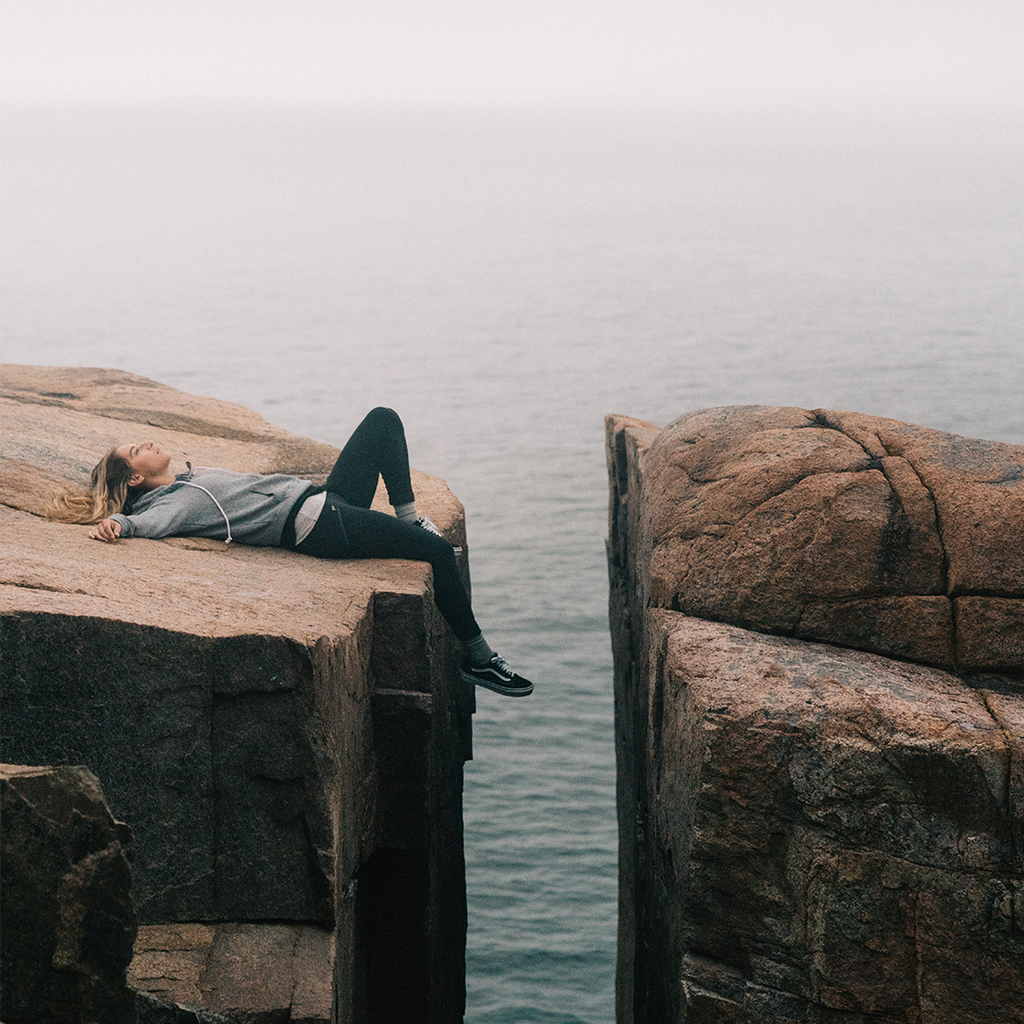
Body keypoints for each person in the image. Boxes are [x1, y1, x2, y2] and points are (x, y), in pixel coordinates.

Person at [48, 406, 533, 697]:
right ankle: (479, 658)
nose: (147, 442)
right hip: (321, 525)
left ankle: (409, 517)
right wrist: (117, 522)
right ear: (135, 477)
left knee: (383, 421)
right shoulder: (177, 501)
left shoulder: (187, 481)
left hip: (326, 498)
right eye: (137, 449)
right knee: (436, 552)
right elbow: (147, 523)